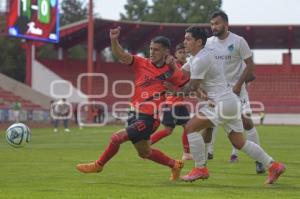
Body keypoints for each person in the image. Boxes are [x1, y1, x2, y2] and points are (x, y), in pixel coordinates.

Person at [169, 26, 284, 184]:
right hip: (229, 102)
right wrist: (168, 69)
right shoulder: (196, 58)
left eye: (188, 39)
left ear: (199, 42)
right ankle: (274, 165)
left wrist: (172, 92)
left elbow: (191, 87)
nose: (184, 42)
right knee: (239, 142)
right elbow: (180, 74)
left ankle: (200, 169)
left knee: (190, 127)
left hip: (221, 102)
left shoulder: (202, 59)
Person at [76, 26, 189, 181]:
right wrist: (114, 39)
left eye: (156, 49)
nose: (152, 52)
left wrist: (174, 67)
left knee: (117, 138)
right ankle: (175, 164)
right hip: (133, 113)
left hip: (149, 118)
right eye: (150, 48)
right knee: (145, 152)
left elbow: (186, 84)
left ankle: (99, 164)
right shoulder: (141, 63)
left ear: (165, 52)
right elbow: (121, 54)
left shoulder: (172, 70)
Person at [205, 10, 265, 173]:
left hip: (237, 91)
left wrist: (239, 85)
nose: (214, 27)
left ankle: (259, 160)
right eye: (211, 24)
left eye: (217, 23)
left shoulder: (238, 41)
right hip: (217, 91)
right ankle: (206, 153)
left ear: (226, 24)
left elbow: (250, 65)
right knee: (208, 122)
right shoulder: (208, 43)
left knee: (246, 122)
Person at [149, 43, 192, 160]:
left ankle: (187, 154)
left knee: (188, 127)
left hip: (180, 103)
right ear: (176, 55)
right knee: (168, 131)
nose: (183, 54)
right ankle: (147, 145)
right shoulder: (172, 67)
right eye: (180, 52)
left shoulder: (187, 67)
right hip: (171, 103)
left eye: (184, 52)